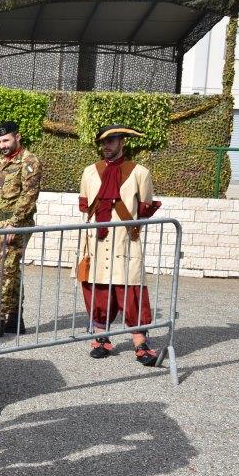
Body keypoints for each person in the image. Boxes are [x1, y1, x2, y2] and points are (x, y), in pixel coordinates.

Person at [77, 125, 162, 366]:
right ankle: (101, 338)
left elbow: (144, 209)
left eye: (112, 141)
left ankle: (141, 343)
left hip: (125, 243)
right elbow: (86, 207)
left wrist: (128, 230)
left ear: (122, 142)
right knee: (98, 290)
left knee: (131, 292)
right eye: (103, 142)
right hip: (96, 241)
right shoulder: (90, 172)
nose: (106, 146)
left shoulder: (140, 173)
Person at [0, 120, 43, 336]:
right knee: (11, 270)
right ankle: (15, 320)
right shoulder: (1, 162)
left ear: (18, 137)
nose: (2, 145)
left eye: (6, 140)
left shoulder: (29, 161)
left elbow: (29, 196)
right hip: (0, 223)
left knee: (3, 269)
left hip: (17, 224)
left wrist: (15, 223)